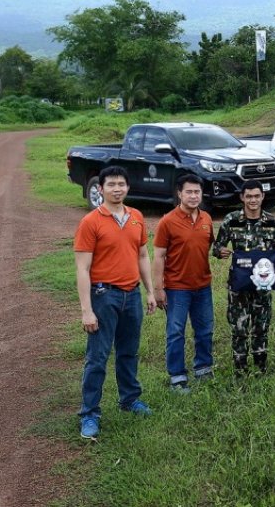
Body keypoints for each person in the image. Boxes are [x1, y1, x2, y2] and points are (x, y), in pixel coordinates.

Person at [74, 165, 157, 440]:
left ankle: (129, 399)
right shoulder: (91, 222)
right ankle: (89, 413)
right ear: (101, 189)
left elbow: (142, 256)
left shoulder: (136, 217)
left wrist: (149, 291)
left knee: (128, 352)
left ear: (128, 187)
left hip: (131, 295)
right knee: (97, 357)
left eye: (121, 184)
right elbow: (82, 268)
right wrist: (87, 310)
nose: (117, 189)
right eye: (111, 184)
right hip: (103, 296)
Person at [213, 181, 275, 375]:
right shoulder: (231, 220)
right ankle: (240, 369)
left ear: (262, 197)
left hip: (263, 283)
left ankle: (260, 366)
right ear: (242, 197)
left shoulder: (271, 221)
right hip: (239, 283)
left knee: (261, 326)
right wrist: (221, 251)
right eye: (249, 196)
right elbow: (217, 246)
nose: (253, 200)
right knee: (239, 327)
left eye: (256, 196)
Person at [152, 173, 214, 395]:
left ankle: (203, 369)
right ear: (180, 193)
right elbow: (158, 256)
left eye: (197, 192)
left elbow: (208, 246)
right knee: (176, 332)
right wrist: (158, 289)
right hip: (177, 288)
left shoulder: (206, 219)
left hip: (203, 286)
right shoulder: (167, 221)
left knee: (205, 330)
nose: (193, 196)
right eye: (189, 192)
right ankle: (177, 376)